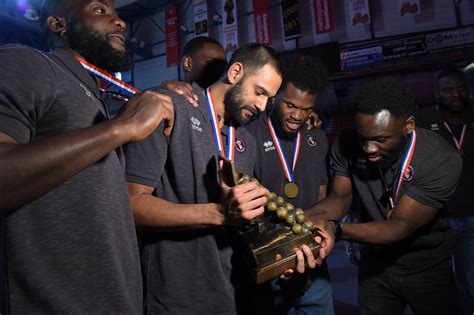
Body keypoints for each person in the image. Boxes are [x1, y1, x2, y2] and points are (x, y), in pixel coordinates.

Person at [125, 43, 333, 314]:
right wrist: (219, 213)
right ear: (235, 72)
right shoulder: (171, 107)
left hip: (234, 294)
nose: (261, 106)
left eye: (269, 98)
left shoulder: (247, 140)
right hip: (175, 297)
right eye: (259, 92)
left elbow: (246, 222)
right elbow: (129, 204)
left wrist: (295, 245)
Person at [0, 0, 175, 313]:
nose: (120, 21)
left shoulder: (98, 102)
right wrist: (122, 128)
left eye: (117, 13)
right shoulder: (26, 62)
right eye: (100, 10)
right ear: (58, 24)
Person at [310, 79, 462, 315]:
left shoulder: (441, 159)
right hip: (375, 267)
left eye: (380, 139)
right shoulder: (346, 143)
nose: (368, 148)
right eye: (363, 137)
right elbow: (339, 200)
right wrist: (301, 216)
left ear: (408, 125)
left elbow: (398, 226)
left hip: (426, 267)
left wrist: (337, 230)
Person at [242, 54, 334, 314]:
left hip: (313, 264)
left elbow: (321, 196)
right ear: (275, 97)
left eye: (306, 109)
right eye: (290, 105)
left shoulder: (317, 138)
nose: (298, 116)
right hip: (267, 263)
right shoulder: (248, 136)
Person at [415, 67, 474, 314]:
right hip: (438, 219)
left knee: (469, 282)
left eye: (461, 88)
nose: (456, 94)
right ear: (437, 94)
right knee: (437, 285)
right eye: (448, 90)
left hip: (472, 215)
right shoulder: (424, 121)